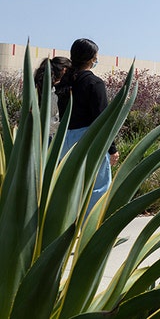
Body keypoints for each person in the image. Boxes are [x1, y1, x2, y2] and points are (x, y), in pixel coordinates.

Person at [60, 38, 119, 216]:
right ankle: (88, 231)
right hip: (87, 139)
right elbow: (103, 119)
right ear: (92, 58)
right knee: (97, 187)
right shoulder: (94, 83)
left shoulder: (63, 83)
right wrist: (112, 149)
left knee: (66, 186)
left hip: (62, 141)